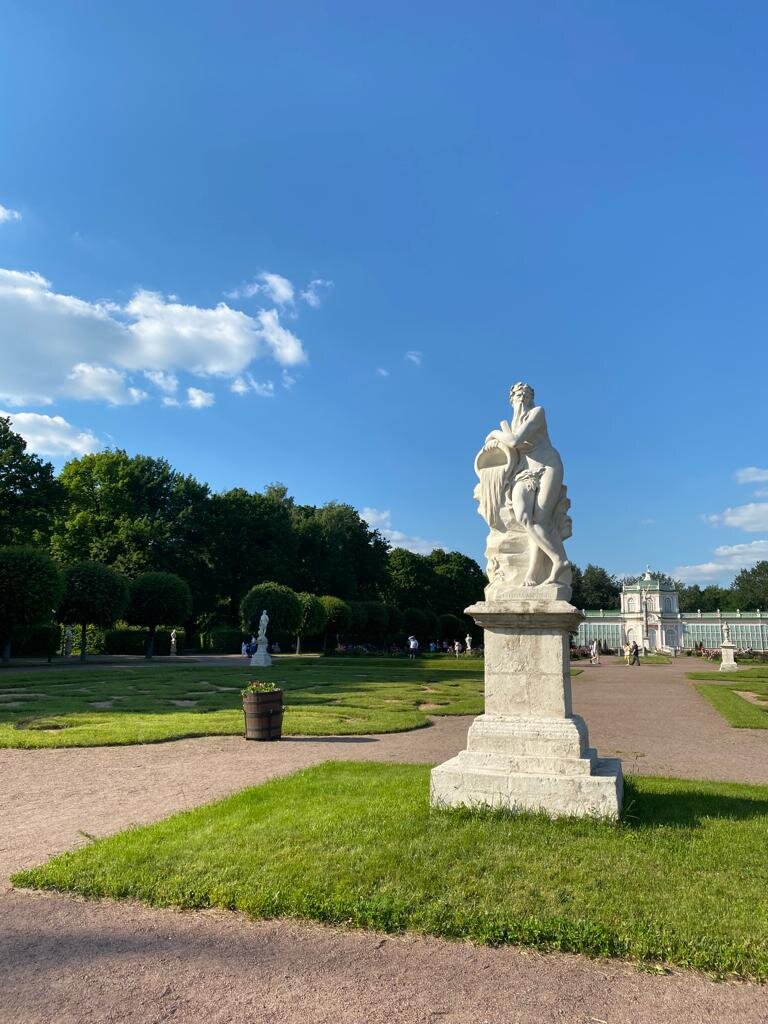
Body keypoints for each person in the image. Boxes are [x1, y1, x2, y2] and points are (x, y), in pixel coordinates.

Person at [477, 382, 570, 586]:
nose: (522, 395)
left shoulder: (538, 412)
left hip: (548, 466)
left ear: (532, 397)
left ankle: (536, 571)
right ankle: (559, 559)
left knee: (540, 520)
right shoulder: (512, 422)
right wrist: (496, 444)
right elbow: (510, 448)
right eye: (518, 393)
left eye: (526, 392)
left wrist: (494, 433)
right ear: (511, 399)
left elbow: (515, 441)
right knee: (524, 517)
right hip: (524, 472)